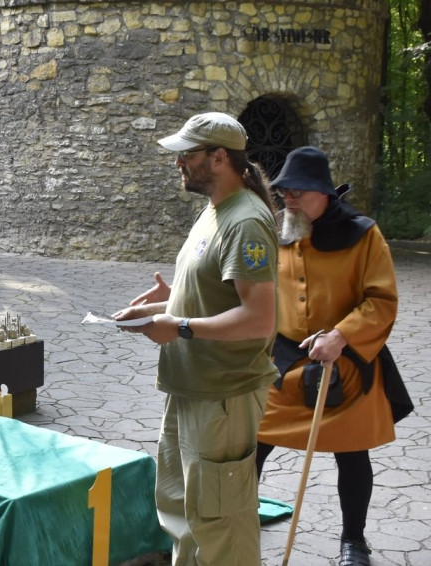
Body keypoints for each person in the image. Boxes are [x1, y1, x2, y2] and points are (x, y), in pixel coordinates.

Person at [114, 112, 279, 565]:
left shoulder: (245, 222)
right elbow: (216, 295)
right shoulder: (214, 212)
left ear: (219, 157)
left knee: (220, 524)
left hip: (223, 396)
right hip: (190, 387)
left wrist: (181, 325)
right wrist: (166, 303)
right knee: (181, 512)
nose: (178, 163)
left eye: (187, 154)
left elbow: (260, 318)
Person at [255, 146, 413, 566]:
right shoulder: (276, 229)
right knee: (252, 444)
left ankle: (353, 542)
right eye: (283, 191)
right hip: (284, 361)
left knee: (352, 453)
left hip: (345, 364)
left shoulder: (364, 234)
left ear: (324, 193)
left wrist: (341, 335)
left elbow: (382, 300)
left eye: (297, 192)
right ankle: (235, 518)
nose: (288, 199)